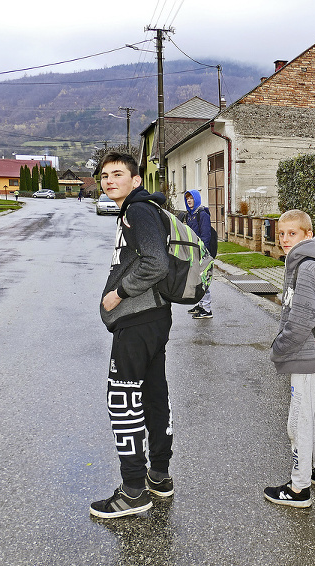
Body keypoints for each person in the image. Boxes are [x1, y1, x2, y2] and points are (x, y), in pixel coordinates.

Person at [90, 151, 176, 518]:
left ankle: (133, 491)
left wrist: (119, 293)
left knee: (122, 400)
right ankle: (159, 476)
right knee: (155, 395)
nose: (109, 180)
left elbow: (156, 262)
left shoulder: (138, 210)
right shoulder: (139, 210)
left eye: (118, 174)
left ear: (136, 179)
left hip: (138, 320)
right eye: (104, 176)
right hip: (154, 318)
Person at [264, 209, 315, 508]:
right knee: (313, 415)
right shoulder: (304, 262)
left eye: (291, 233)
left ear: (308, 234)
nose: (284, 239)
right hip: (309, 354)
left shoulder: (307, 267)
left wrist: (279, 348)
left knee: (298, 423)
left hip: (304, 354)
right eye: (281, 233)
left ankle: (299, 488)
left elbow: (303, 318)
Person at [183, 189, 214, 319]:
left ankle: (207, 309)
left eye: (191, 198)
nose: (189, 200)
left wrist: (202, 253)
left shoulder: (202, 214)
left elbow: (206, 235)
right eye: (187, 198)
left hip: (202, 253)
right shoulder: (190, 215)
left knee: (202, 280)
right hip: (194, 252)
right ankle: (201, 305)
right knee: (197, 280)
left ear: (196, 199)